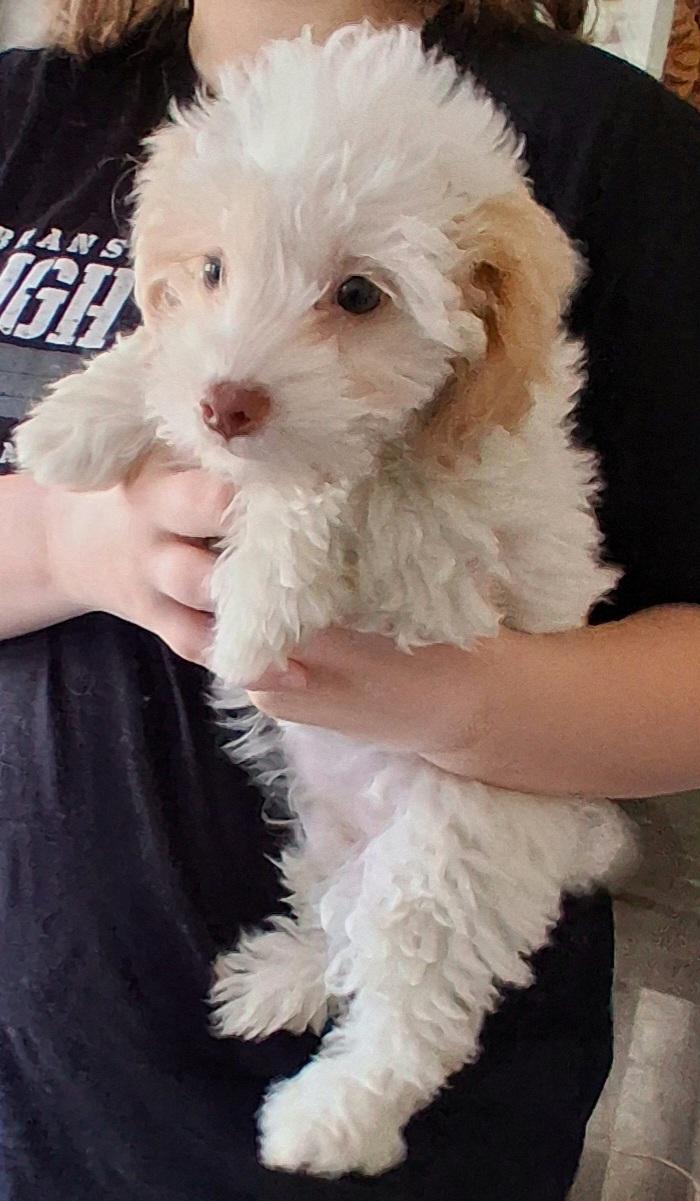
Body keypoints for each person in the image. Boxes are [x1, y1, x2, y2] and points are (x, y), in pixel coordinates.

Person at [0, 1, 699, 1198]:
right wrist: (67, 542)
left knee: (423, 892)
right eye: (213, 273)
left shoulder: (619, 150)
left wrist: (452, 701)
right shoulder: (26, 106)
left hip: (426, 1155)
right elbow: (177, 366)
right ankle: (323, 943)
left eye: (358, 301)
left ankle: (378, 1061)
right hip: (36, 1064)